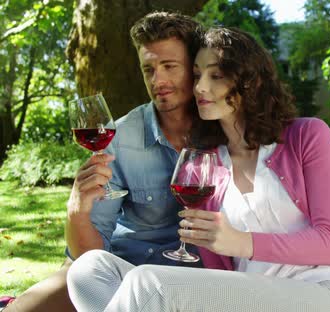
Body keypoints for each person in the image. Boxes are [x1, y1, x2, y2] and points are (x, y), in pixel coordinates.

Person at [66, 27, 330, 312]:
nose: (200, 87)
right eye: (197, 75)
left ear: (250, 81)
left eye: (215, 75)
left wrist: (243, 243)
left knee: (148, 283)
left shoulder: (305, 136)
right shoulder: (207, 163)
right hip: (240, 293)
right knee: (89, 270)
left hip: (317, 293)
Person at [4, 11, 202, 312]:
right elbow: (86, 259)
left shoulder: (225, 131)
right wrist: (77, 210)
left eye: (169, 66)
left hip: (196, 279)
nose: (157, 80)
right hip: (123, 268)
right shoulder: (119, 137)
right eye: (148, 69)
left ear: (194, 68)